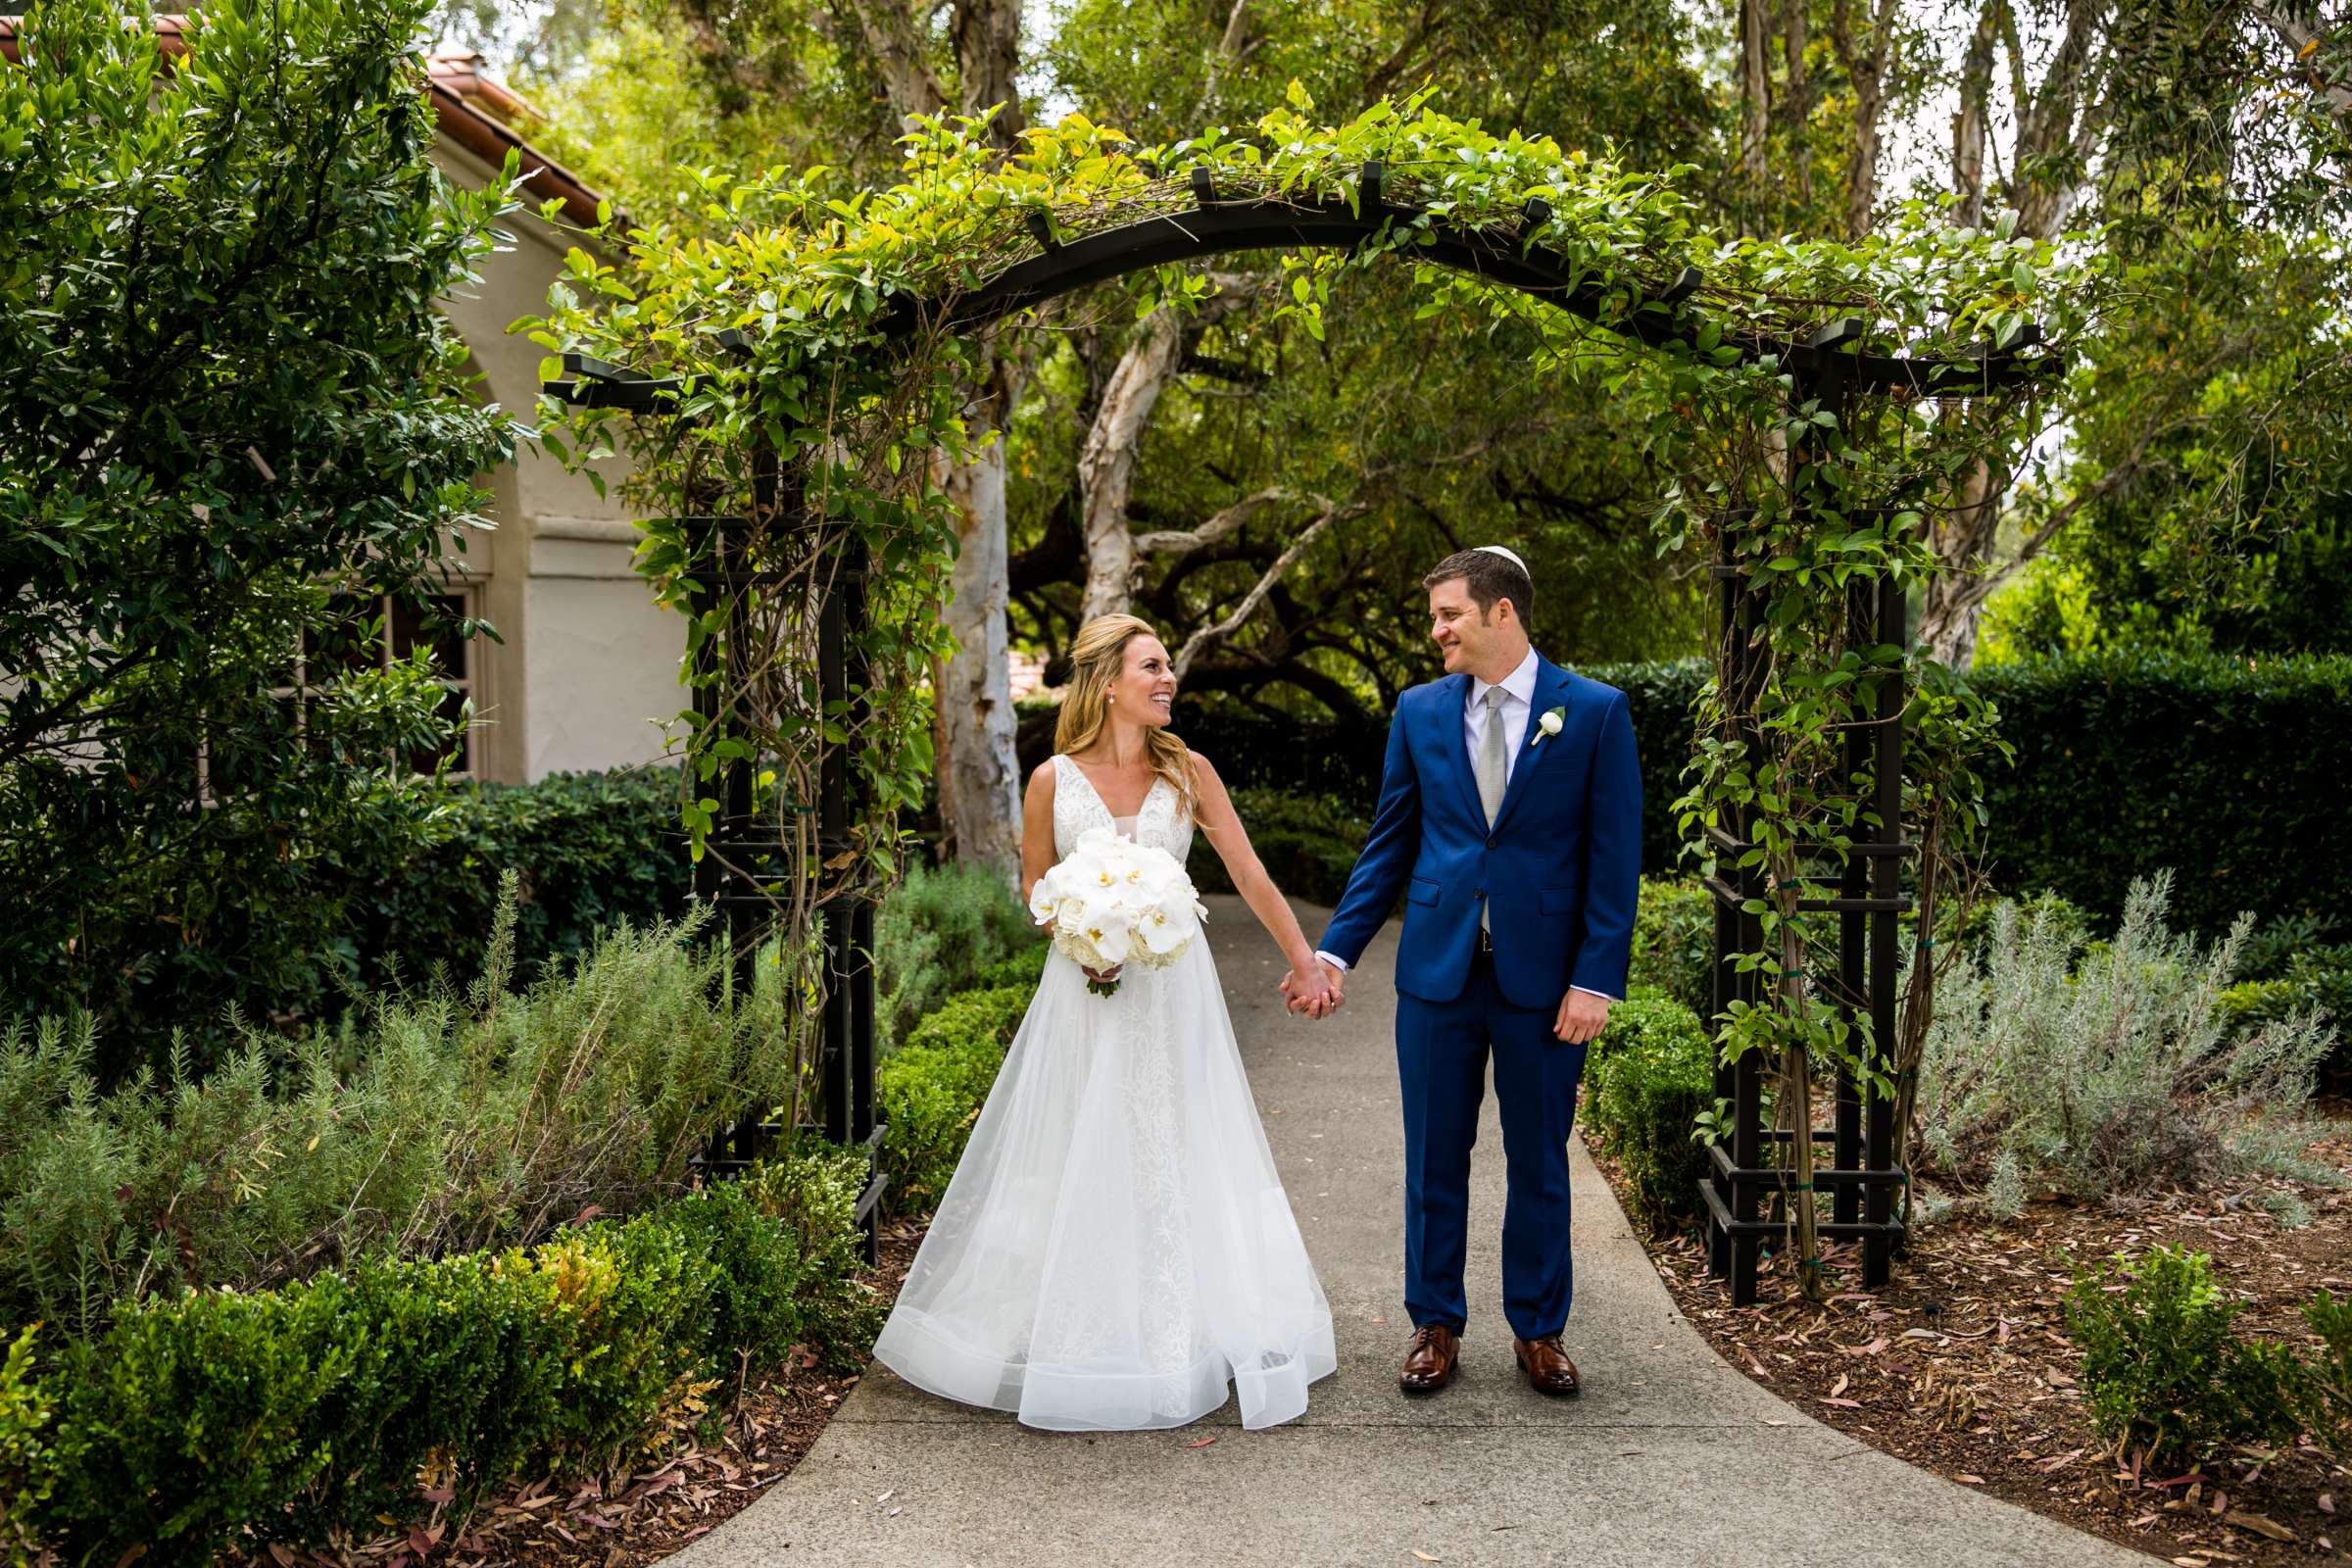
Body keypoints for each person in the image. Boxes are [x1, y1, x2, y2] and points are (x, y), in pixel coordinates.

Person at [872, 612, 1338, 1431]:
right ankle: (1079, 1325)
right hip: (1085, 991)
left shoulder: (1190, 770)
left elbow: (1248, 870)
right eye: (1152, 667)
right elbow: (1034, 886)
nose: (1168, 681)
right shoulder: (1053, 778)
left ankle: (1183, 1324)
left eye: (1169, 670)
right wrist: (1084, 934)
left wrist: (1306, 961)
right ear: (1106, 682)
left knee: (1176, 1138)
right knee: (1083, 1142)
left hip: (1173, 990)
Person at [1293, 546, 1641, 1398]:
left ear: (1502, 613)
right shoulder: (1418, 711)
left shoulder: (1593, 713)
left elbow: (1614, 858)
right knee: (1433, 1158)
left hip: (1546, 983)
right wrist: (1333, 950)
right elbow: (1391, 843)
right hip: (1437, 978)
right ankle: (1435, 1323)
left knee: (1540, 1159)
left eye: (1449, 614)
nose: (1437, 630)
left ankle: (1540, 1328)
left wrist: (1595, 980)